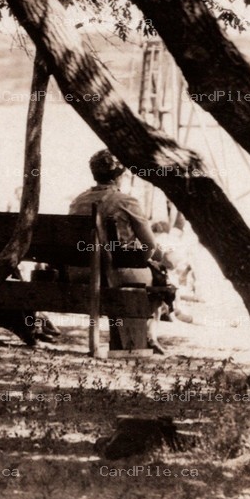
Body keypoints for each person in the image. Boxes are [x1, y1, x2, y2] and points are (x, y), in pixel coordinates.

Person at [68, 149, 173, 354]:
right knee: (159, 276)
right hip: (113, 272)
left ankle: (143, 336)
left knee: (148, 272)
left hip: (80, 270)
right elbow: (150, 246)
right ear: (119, 175)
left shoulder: (77, 201)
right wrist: (144, 261)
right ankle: (148, 336)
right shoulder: (126, 201)